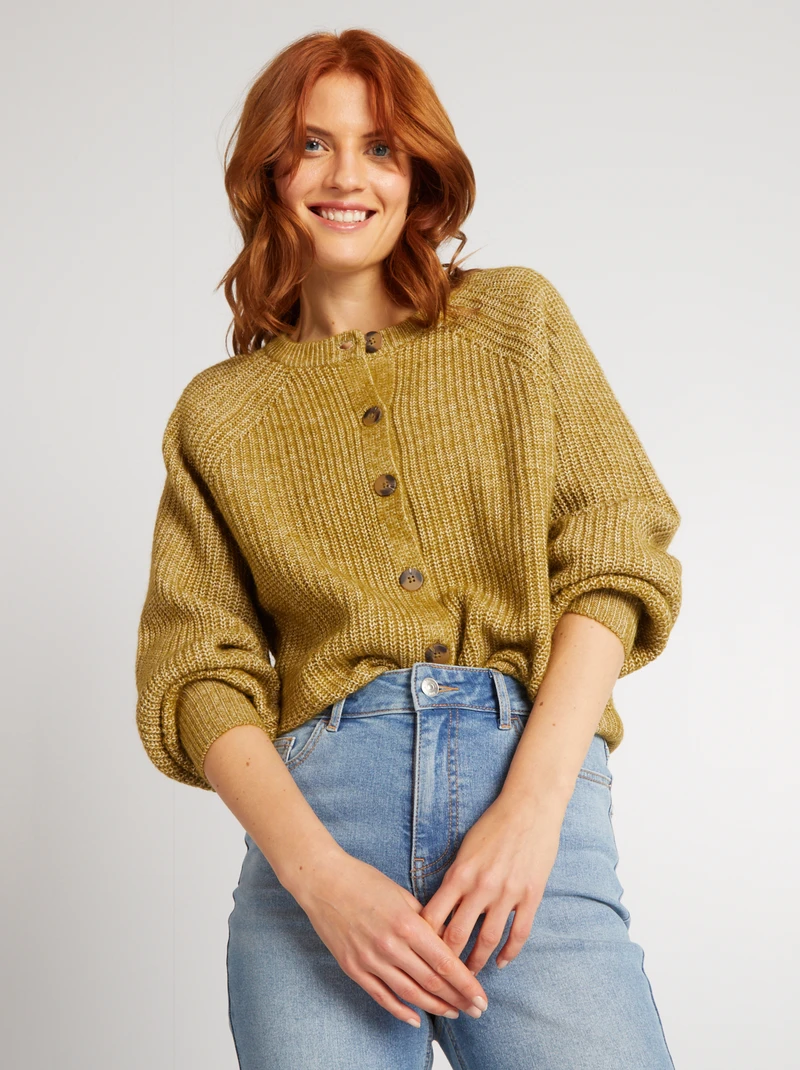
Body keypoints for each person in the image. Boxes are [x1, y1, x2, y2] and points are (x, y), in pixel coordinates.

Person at [135, 27, 681, 1070]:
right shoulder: (218, 413)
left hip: (531, 820)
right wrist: (318, 879)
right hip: (316, 849)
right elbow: (195, 672)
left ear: (418, 174)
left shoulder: (514, 321)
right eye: (312, 144)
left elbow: (616, 550)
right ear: (268, 173)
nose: (347, 176)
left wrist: (532, 810)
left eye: (379, 147)